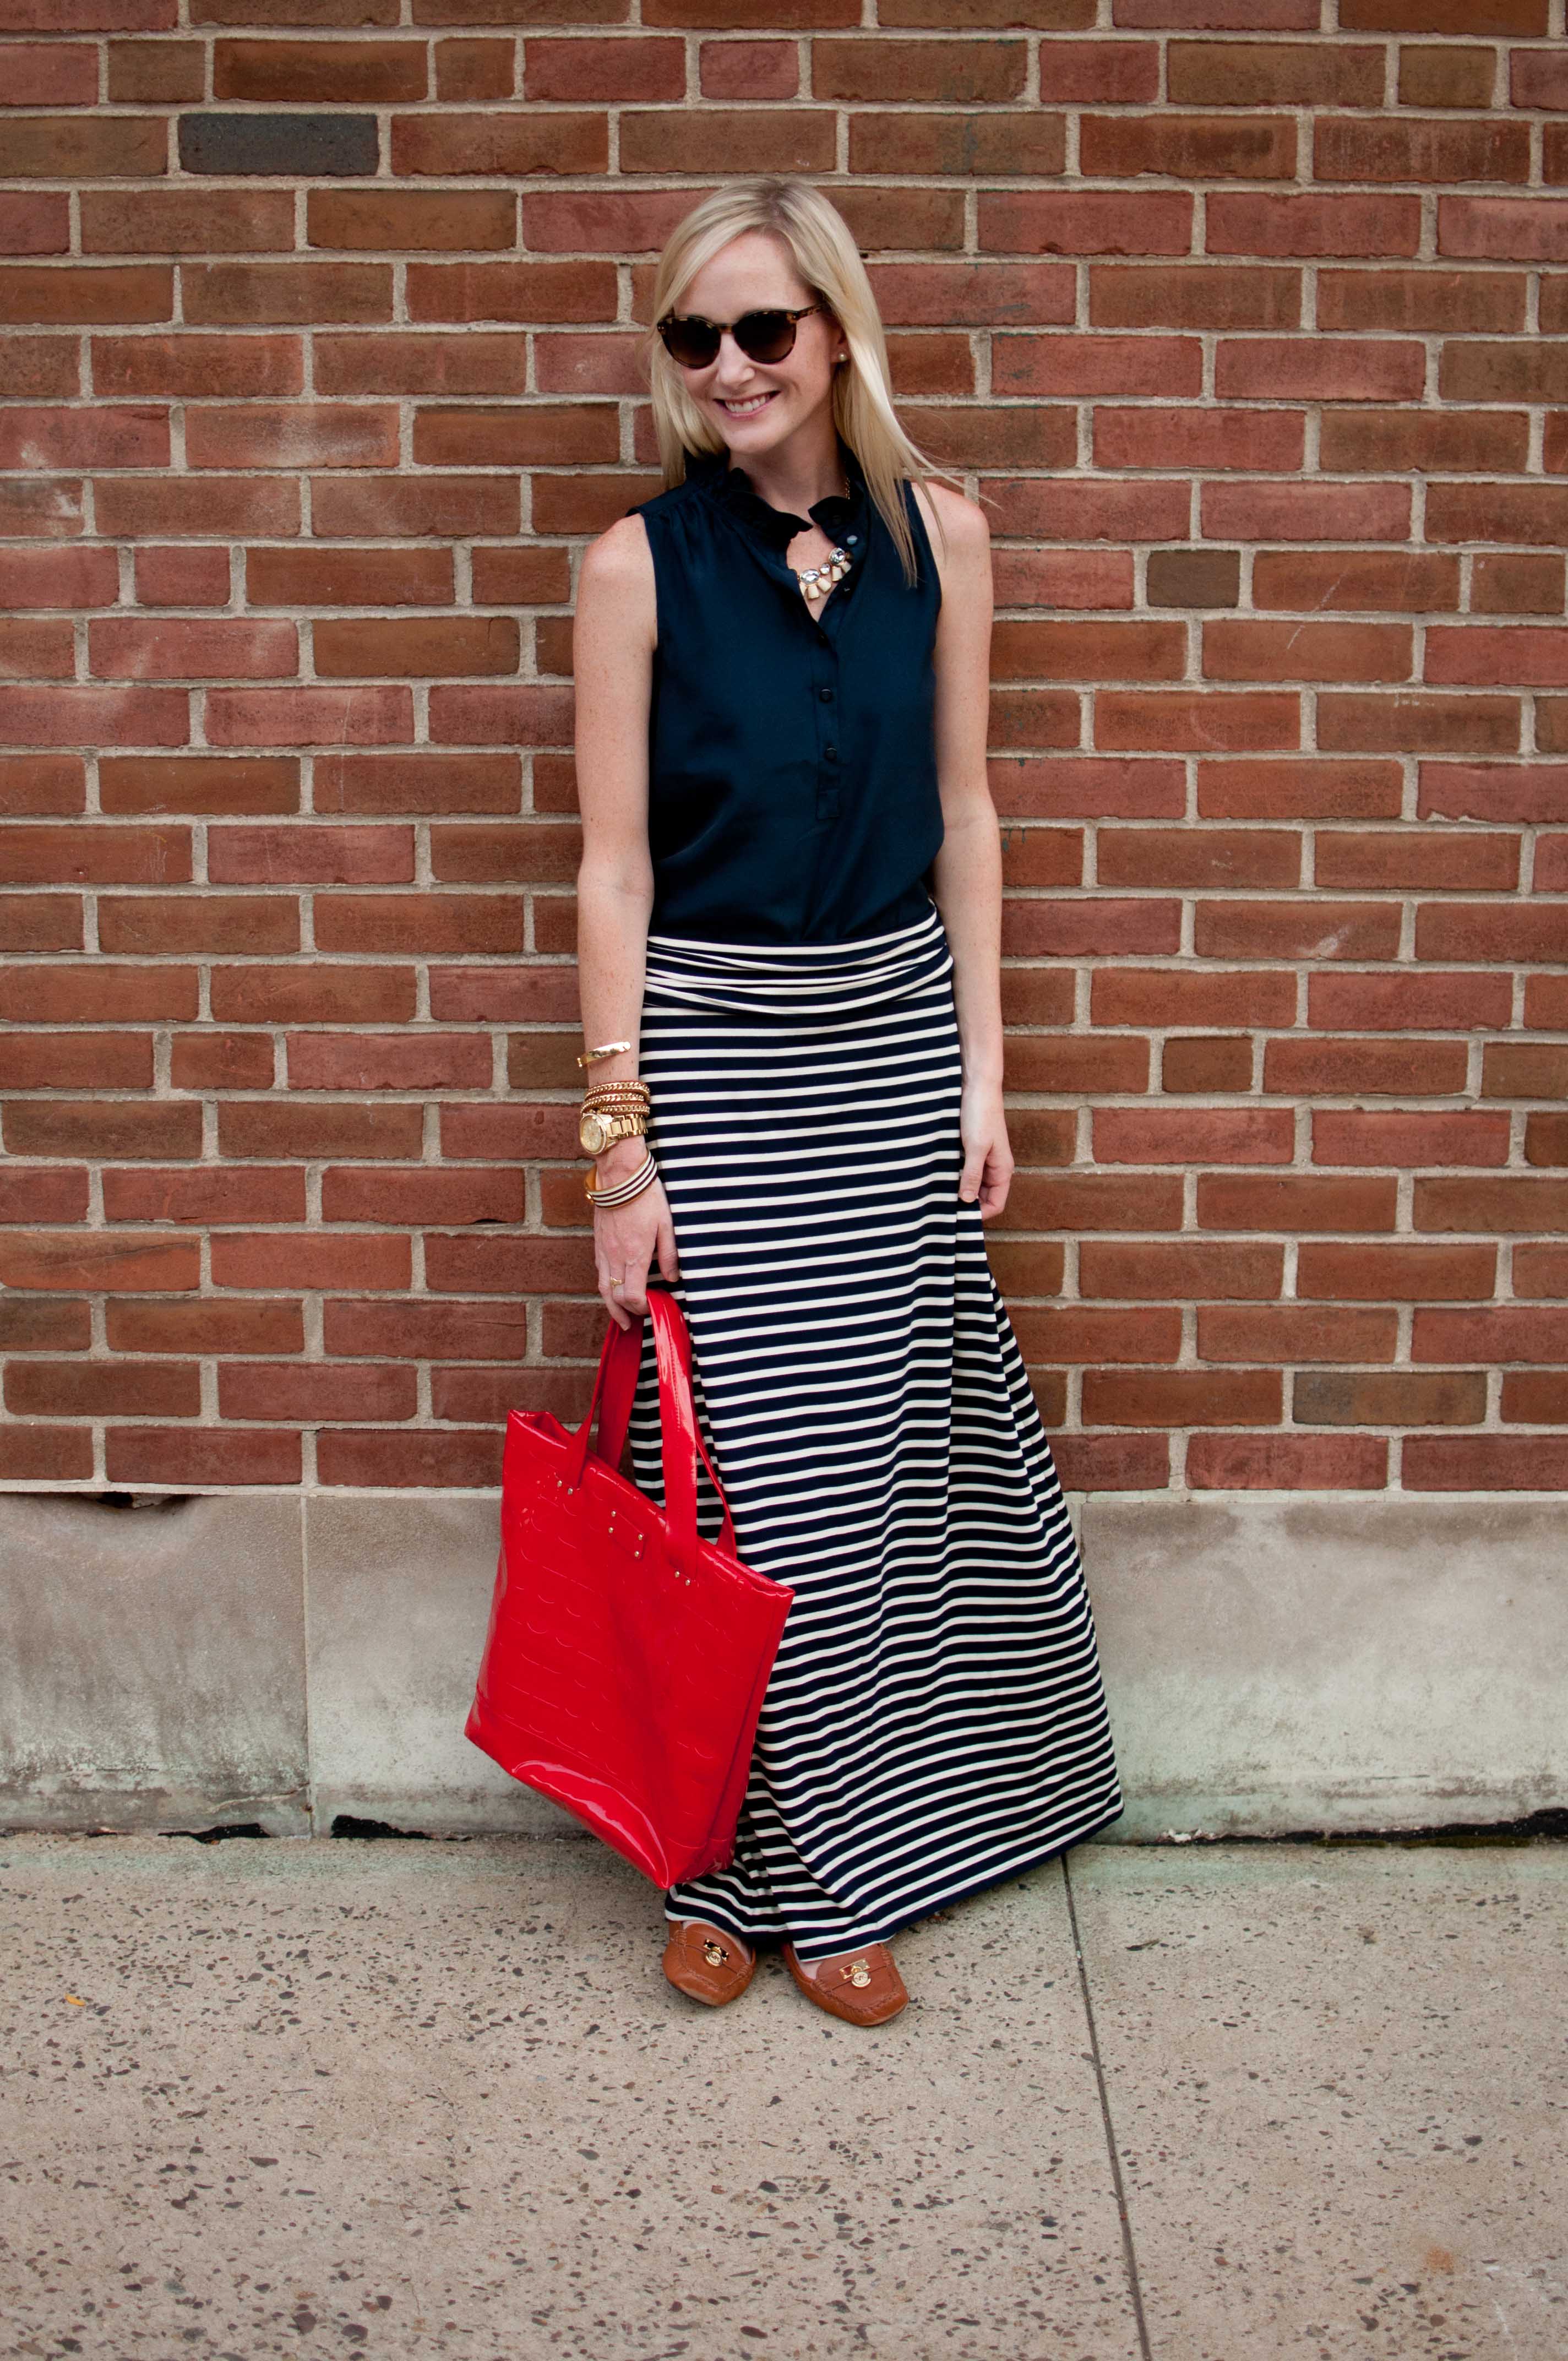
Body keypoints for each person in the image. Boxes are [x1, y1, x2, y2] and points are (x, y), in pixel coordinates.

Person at [570, 178, 1122, 2028]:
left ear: (834, 334)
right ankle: (724, 1868)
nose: (727, 368)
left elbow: (968, 817)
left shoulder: (943, 535)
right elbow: (610, 875)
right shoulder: (638, 565)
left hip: (889, 1042)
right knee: (736, 1488)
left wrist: (984, 1071)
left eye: (761, 330)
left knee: (869, 1491)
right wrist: (613, 1146)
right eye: (692, 337)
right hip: (716, 1059)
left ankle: (842, 1876)